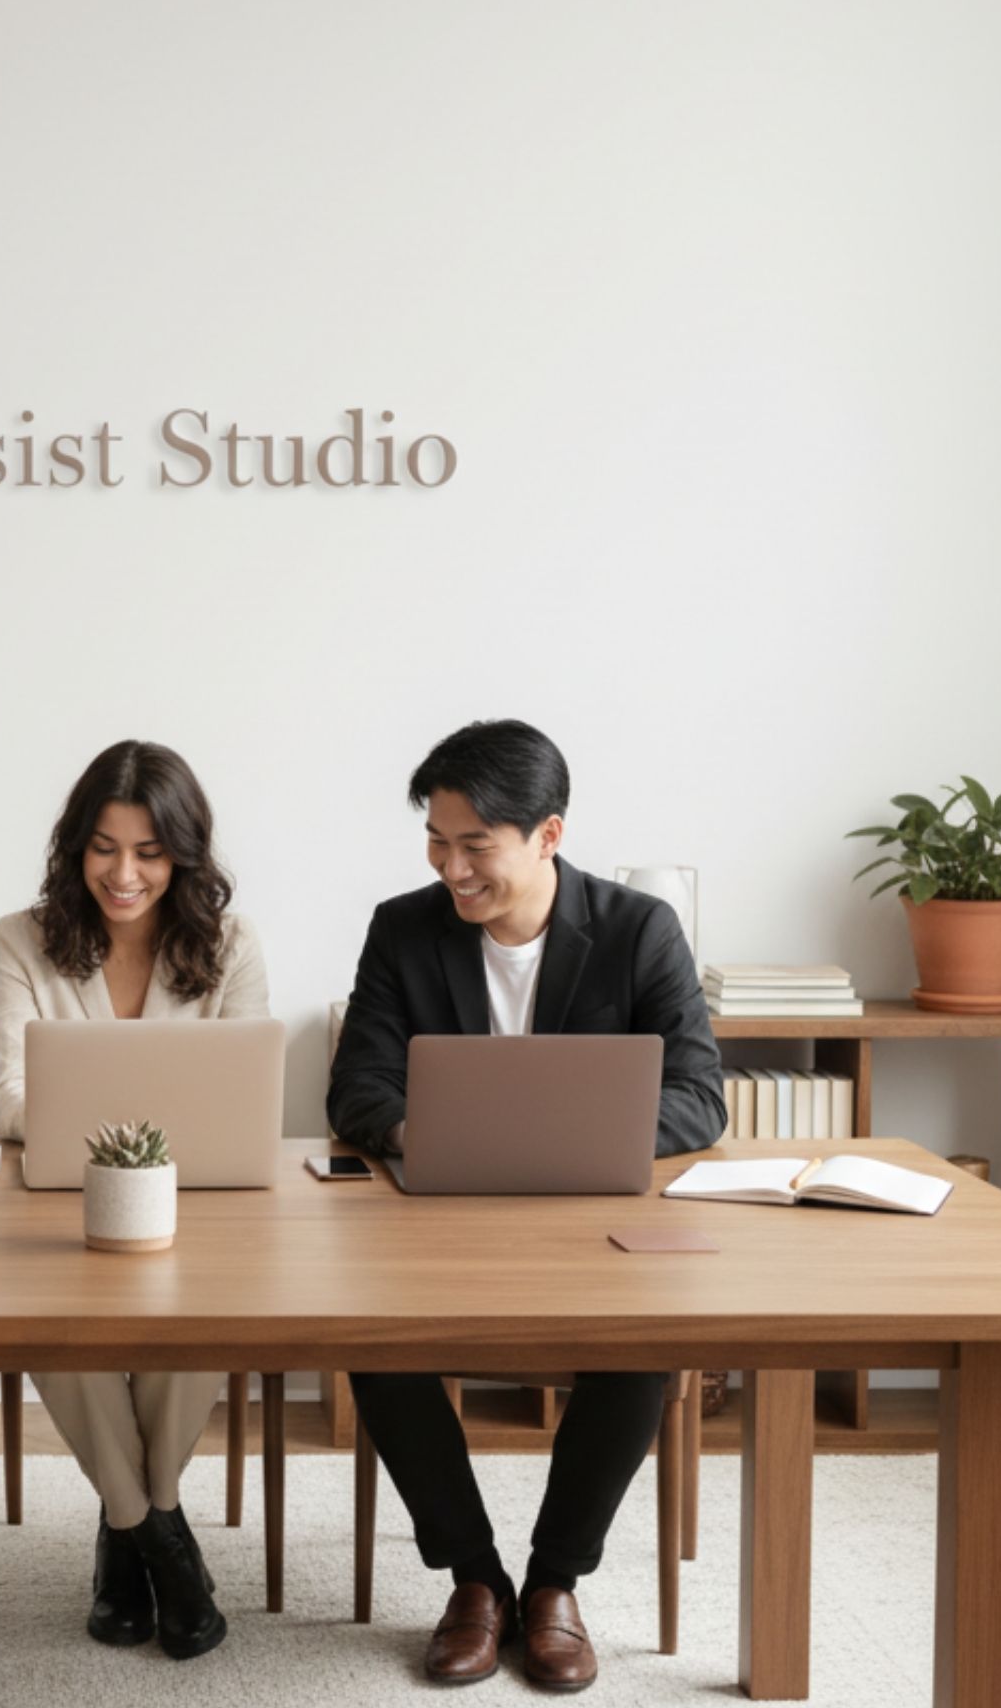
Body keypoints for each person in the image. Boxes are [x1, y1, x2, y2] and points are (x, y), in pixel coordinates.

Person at [327, 719, 726, 1692]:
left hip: (589, 1219)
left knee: (644, 1343)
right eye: (436, 839)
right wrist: (430, 1132)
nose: (450, 865)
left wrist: (588, 1131)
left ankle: (552, 1583)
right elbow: (356, 1088)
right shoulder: (401, 926)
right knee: (371, 1341)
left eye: (474, 844)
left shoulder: (636, 929)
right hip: (438, 1220)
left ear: (546, 834)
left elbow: (699, 1092)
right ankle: (474, 1577)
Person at [0, 739, 269, 1661]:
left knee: (201, 1310)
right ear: (75, 849)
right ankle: (159, 1531)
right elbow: (8, 1098)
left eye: (149, 852)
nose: (125, 873)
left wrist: (109, 1123)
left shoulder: (232, 944)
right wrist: (137, 1133)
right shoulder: (21, 939)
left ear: (183, 854)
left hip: (198, 1203)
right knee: (44, 1317)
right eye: (104, 848)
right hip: (63, 1202)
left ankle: (127, 1530)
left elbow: (245, 1099)